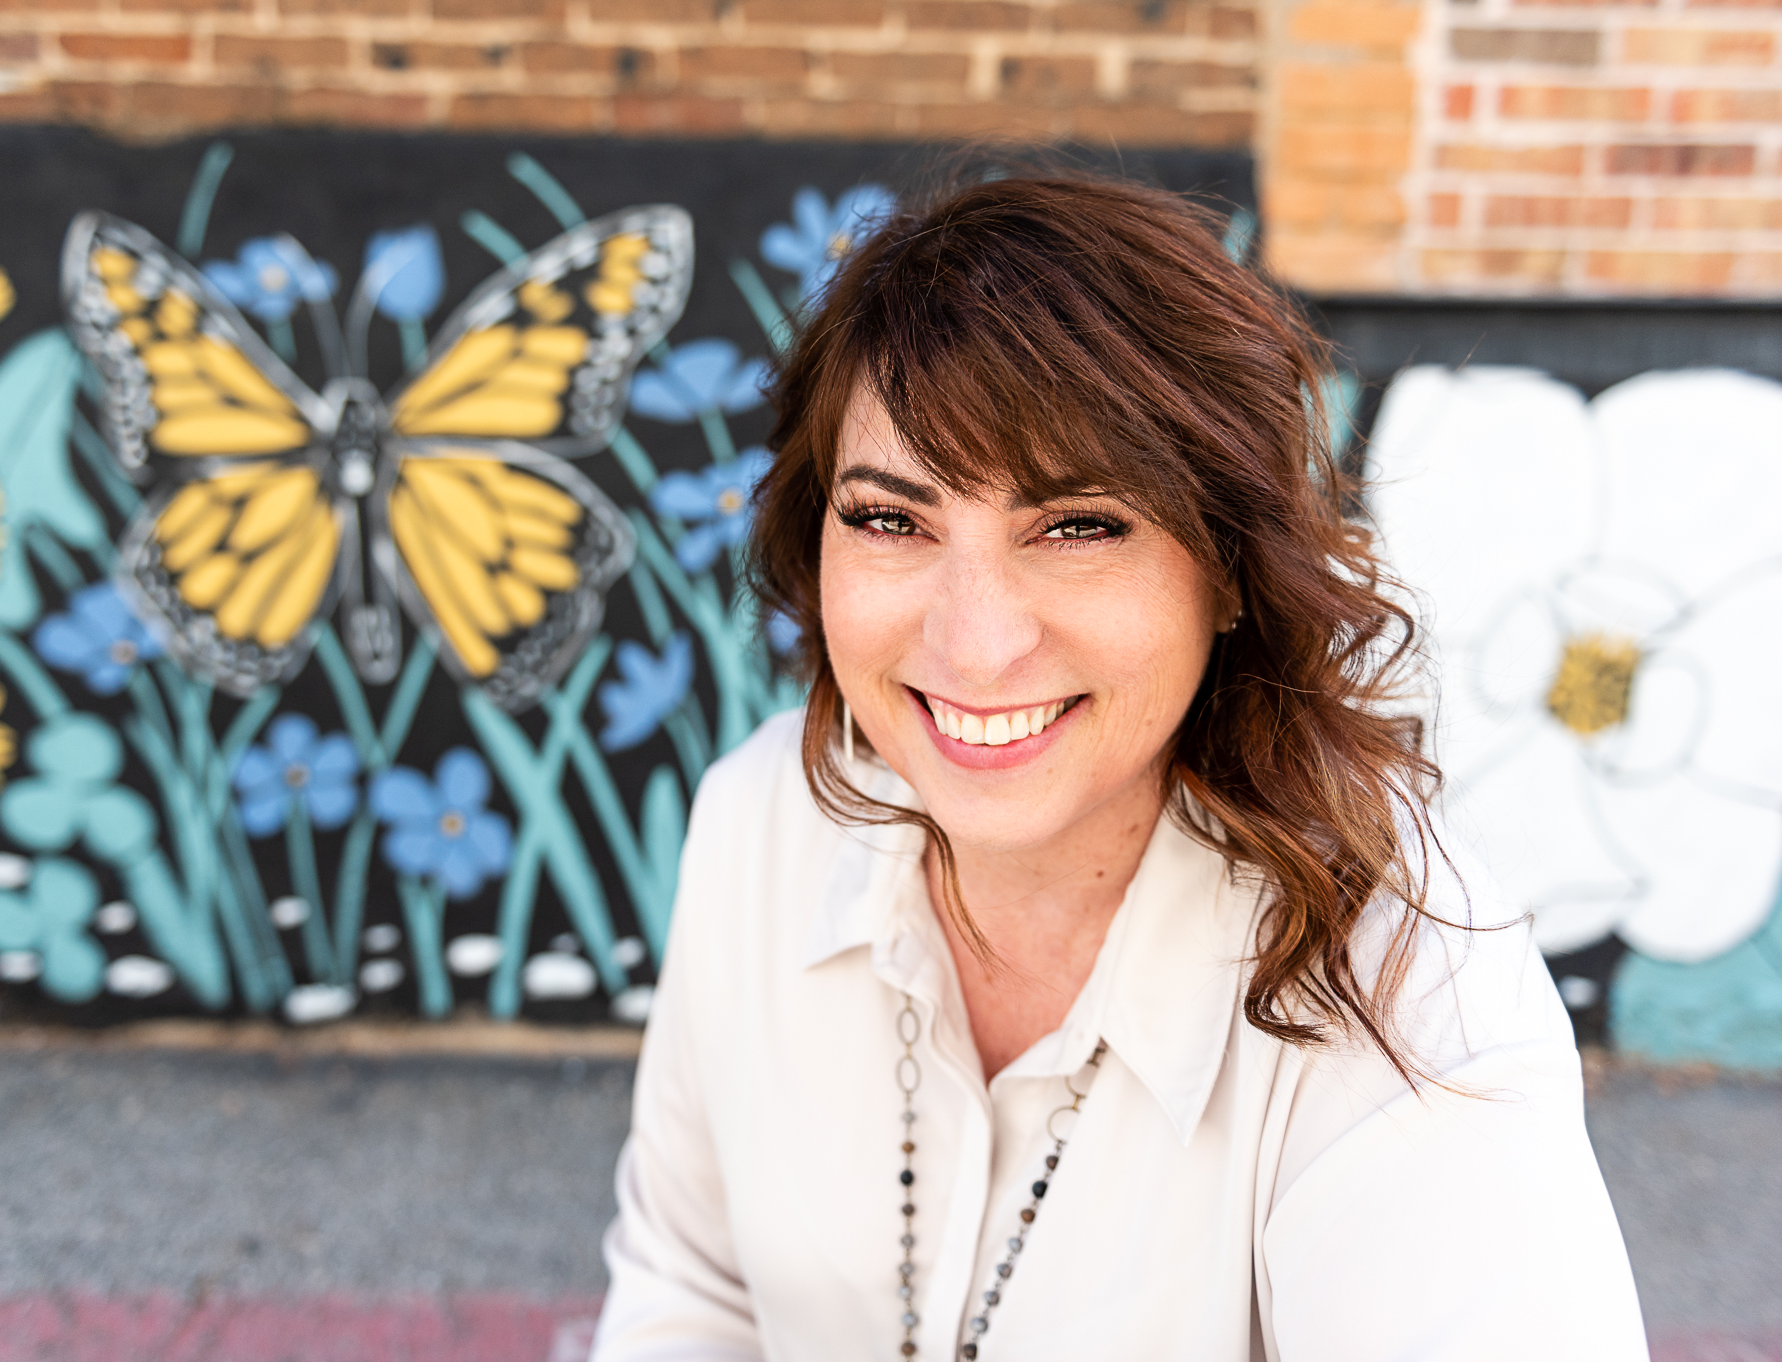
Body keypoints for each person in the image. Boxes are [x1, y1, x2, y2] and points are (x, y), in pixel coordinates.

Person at [590, 172, 1648, 1361]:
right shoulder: (760, 822)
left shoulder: (1407, 990)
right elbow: (690, 1292)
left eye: (1079, 525)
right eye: (893, 520)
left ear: (1234, 568)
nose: (975, 643)